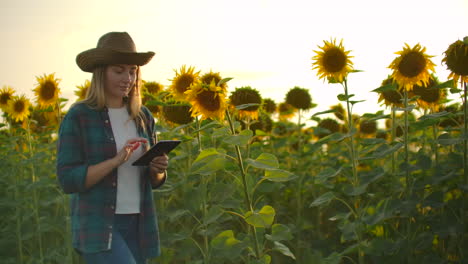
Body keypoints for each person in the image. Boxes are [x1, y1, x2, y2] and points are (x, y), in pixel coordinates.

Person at [56, 31, 168, 264]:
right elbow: (68, 179)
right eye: (119, 70)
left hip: (139, 223)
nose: (127, 78)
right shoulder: (79, 116)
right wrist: (116, 161)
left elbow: (154, 181)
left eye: (132, 71)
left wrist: (157, 168)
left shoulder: (142, 116)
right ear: (101, 73)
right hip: (99, 225)